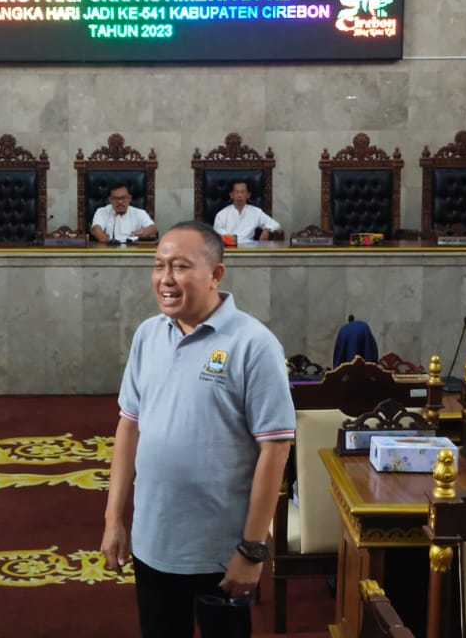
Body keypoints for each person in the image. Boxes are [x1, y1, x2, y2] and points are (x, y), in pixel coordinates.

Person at [100, 220, 296, 638]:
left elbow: (276, 449)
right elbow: (129, 427)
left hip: (220, 553)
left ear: (216, 275)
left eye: (181, 267)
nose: (165, 279)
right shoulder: (148, 335)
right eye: (159, 266)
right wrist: (114, 520)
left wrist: (252, 548)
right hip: (153, 543)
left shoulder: (253, 344)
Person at [211, 181, 280, 244]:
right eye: (236, 192)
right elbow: (218, 234)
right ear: (231, 195)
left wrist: (267, 230)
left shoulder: (256, 212)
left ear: (248, 195)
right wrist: (235, 242)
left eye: (242, 192)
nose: (239, 195)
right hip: (230, 248)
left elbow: (276, 224)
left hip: (250, 248)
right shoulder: (221, 214)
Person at [91, 182, 158, 243]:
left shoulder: (139, 213)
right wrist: (102, 237)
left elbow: (152, 228)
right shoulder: (101, 212)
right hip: (110, 251)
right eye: (116, 198)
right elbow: (96, 228)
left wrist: (143, 233)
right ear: (110, 200)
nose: (120, 202)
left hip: (133, 251)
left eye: (123, 198)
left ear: (129, 198)